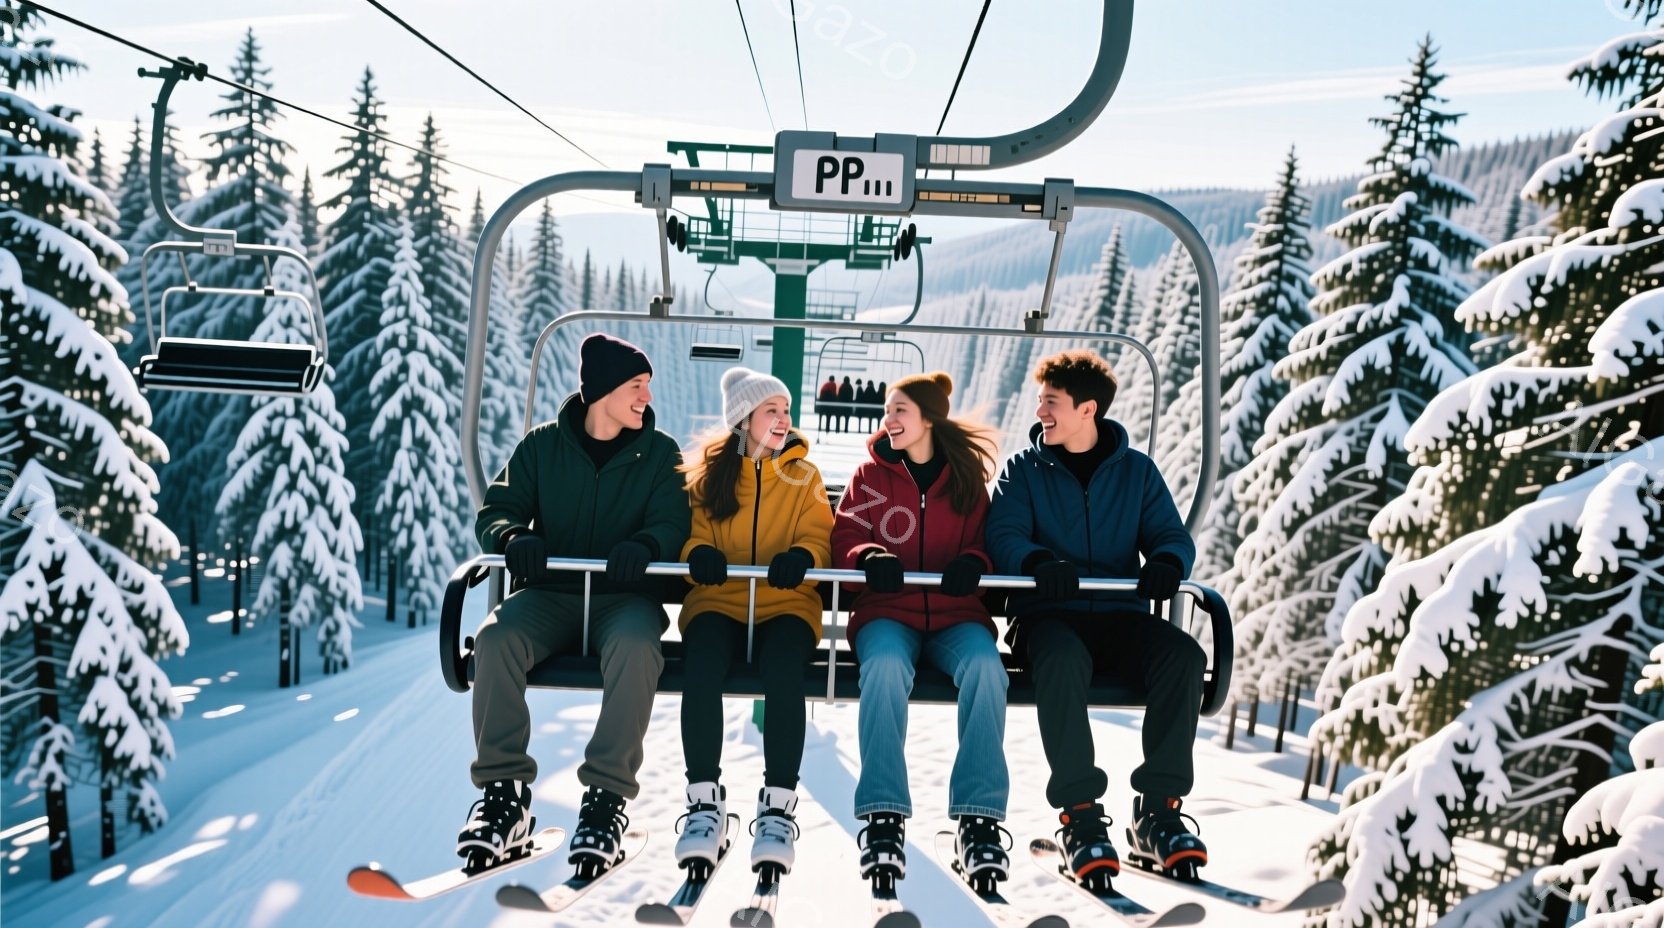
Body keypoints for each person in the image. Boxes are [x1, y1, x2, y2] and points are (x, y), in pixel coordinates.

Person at [459, 333, 692, 878]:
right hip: (550, 596)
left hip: (623, 600)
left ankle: (606, 799)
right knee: (496, 639)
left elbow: (673, 521)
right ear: (603, 391)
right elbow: (496, 511)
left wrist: (648, 546)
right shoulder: (543, 447)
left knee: (637, 647)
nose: (646, 398)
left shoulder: (659, 454)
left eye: (647, 387)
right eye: (636, 386)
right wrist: (513, 536)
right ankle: (503, 795)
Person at [986, 349, 1206, 890]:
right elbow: (1003, 534)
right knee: (1062, 659)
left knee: (1183, 656)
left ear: (1088, 409)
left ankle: (1158, 811)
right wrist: (1037, 563)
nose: (1041, 412)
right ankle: (1080, 814)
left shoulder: (1136, 473)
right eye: (1041, 401)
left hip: (1117, 615)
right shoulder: (1025, 470)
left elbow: (1170, 534)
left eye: (1051, 402)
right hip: (1047, 617)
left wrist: (1167, 562)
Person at [832, 373, 1010, 891]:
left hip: (957, 617)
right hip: (888, 612)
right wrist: (868, 556)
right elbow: (846, 533)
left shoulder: (964, 478)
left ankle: (978, 819)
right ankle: (883, 813)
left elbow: (987, 542)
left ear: (928, 419)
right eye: (887, 410)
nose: (888, 419)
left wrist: (974, 563)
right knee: (885, 668)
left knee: (987, 669)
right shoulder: (871, 476)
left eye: (900, 410)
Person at [675, 367, 834, 877]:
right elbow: (692, 534)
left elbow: (819, 536)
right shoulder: (710, 476)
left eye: (786, 410)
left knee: (785, 670)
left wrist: (803, 557)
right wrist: (698, 554)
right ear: (744, 420)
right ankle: (704, 800)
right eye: (772, 411)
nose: (784, 419)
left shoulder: (804, 477)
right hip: (719, 601)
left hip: (785, 604)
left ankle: (778, 806)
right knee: (701, 665)